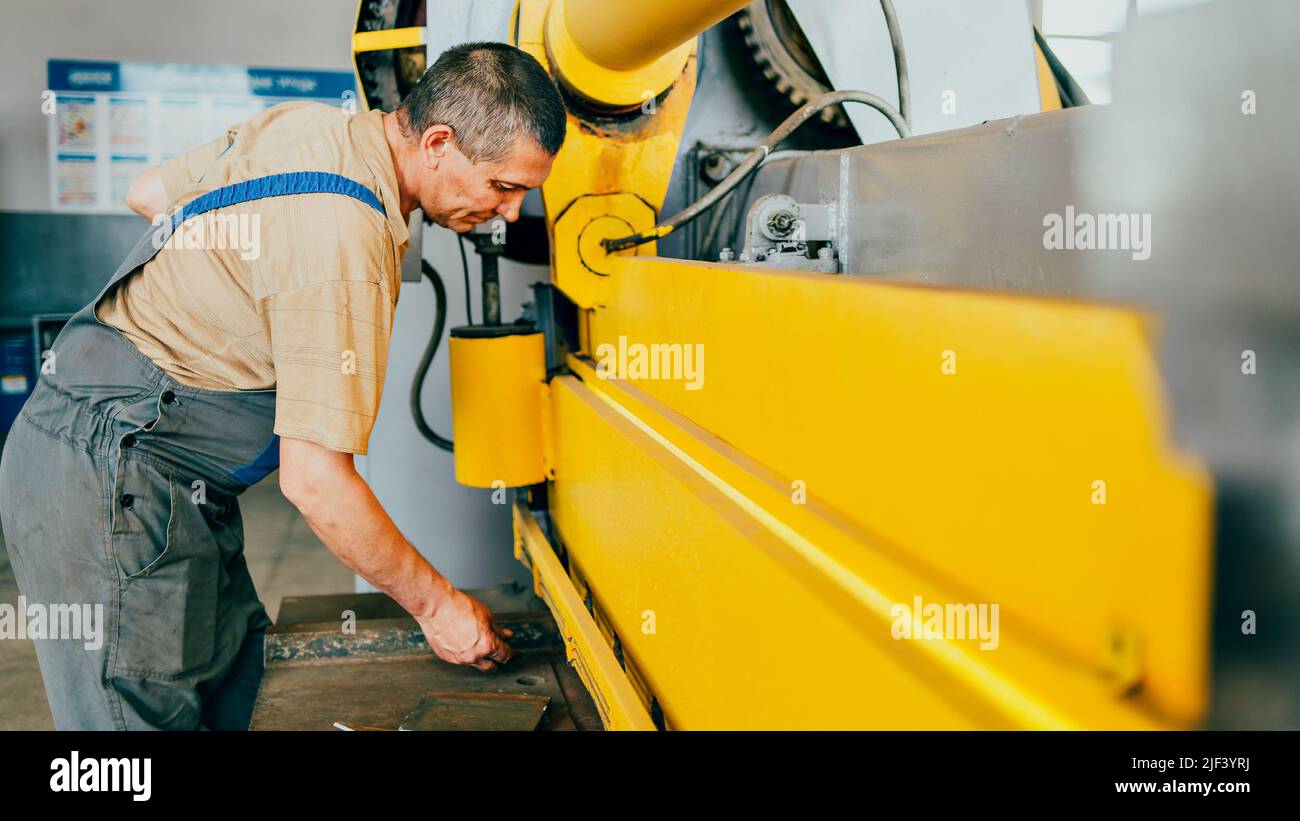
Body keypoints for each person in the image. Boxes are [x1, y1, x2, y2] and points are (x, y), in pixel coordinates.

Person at [0, 41, 567, 730]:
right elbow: (316, 480)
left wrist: (234, 299)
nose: (510, 212)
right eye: (503, 187)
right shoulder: (346, 240)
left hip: (173, 482)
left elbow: (147, 191)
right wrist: (440, 607)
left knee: (242, 689)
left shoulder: (311, 127)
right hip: (110, 477)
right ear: (440, 143)